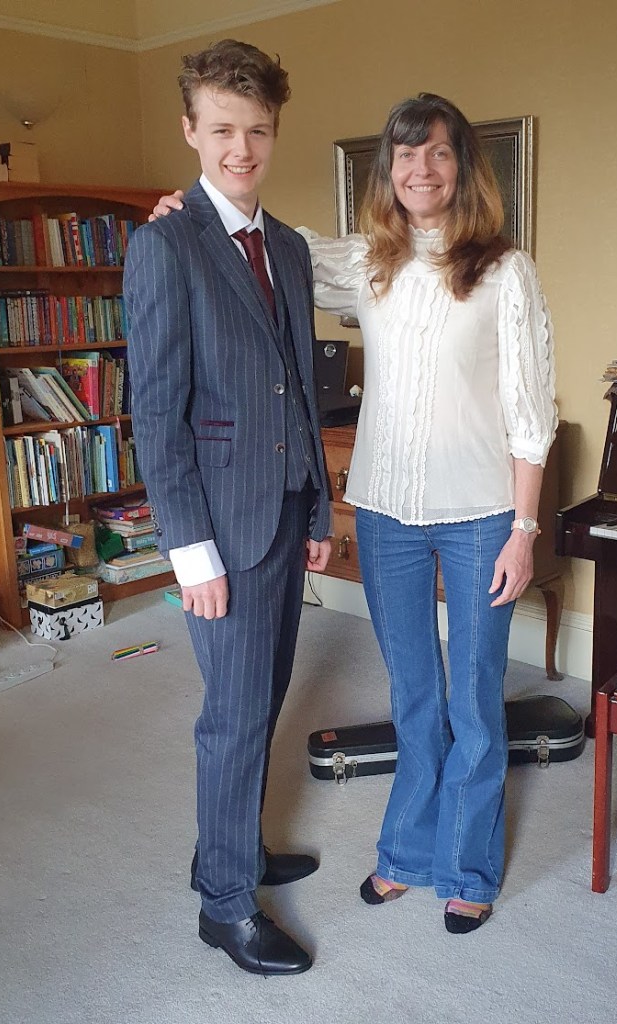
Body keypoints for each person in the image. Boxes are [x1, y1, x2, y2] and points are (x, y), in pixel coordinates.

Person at [153, 92, 556, 933]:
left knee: (474, 701)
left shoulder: (504, 270)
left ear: (463, 167)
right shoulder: (364, 261)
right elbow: (264, 243)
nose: (421, 169)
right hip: (383, 516)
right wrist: (185, 217)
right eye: (405, 155)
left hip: (481, 516)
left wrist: (524, 530)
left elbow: (530, 413)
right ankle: (405, 853)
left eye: (438, 153)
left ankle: (469, 866)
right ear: (388, 170)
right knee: (413, 694)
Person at [126, 39, 331, 976]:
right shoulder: (164, 244)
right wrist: (189, 552)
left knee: (266, 695)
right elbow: (156, 413)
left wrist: (318, 510)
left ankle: (235, 848)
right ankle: (224, 904)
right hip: (219, 527)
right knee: (235, 717)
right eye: (221, 130)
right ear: (190, 131)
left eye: (256, 131)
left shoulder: (287, 246)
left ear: (274, 132)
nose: (239, 149)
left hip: (284, 510)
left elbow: (300, 387)